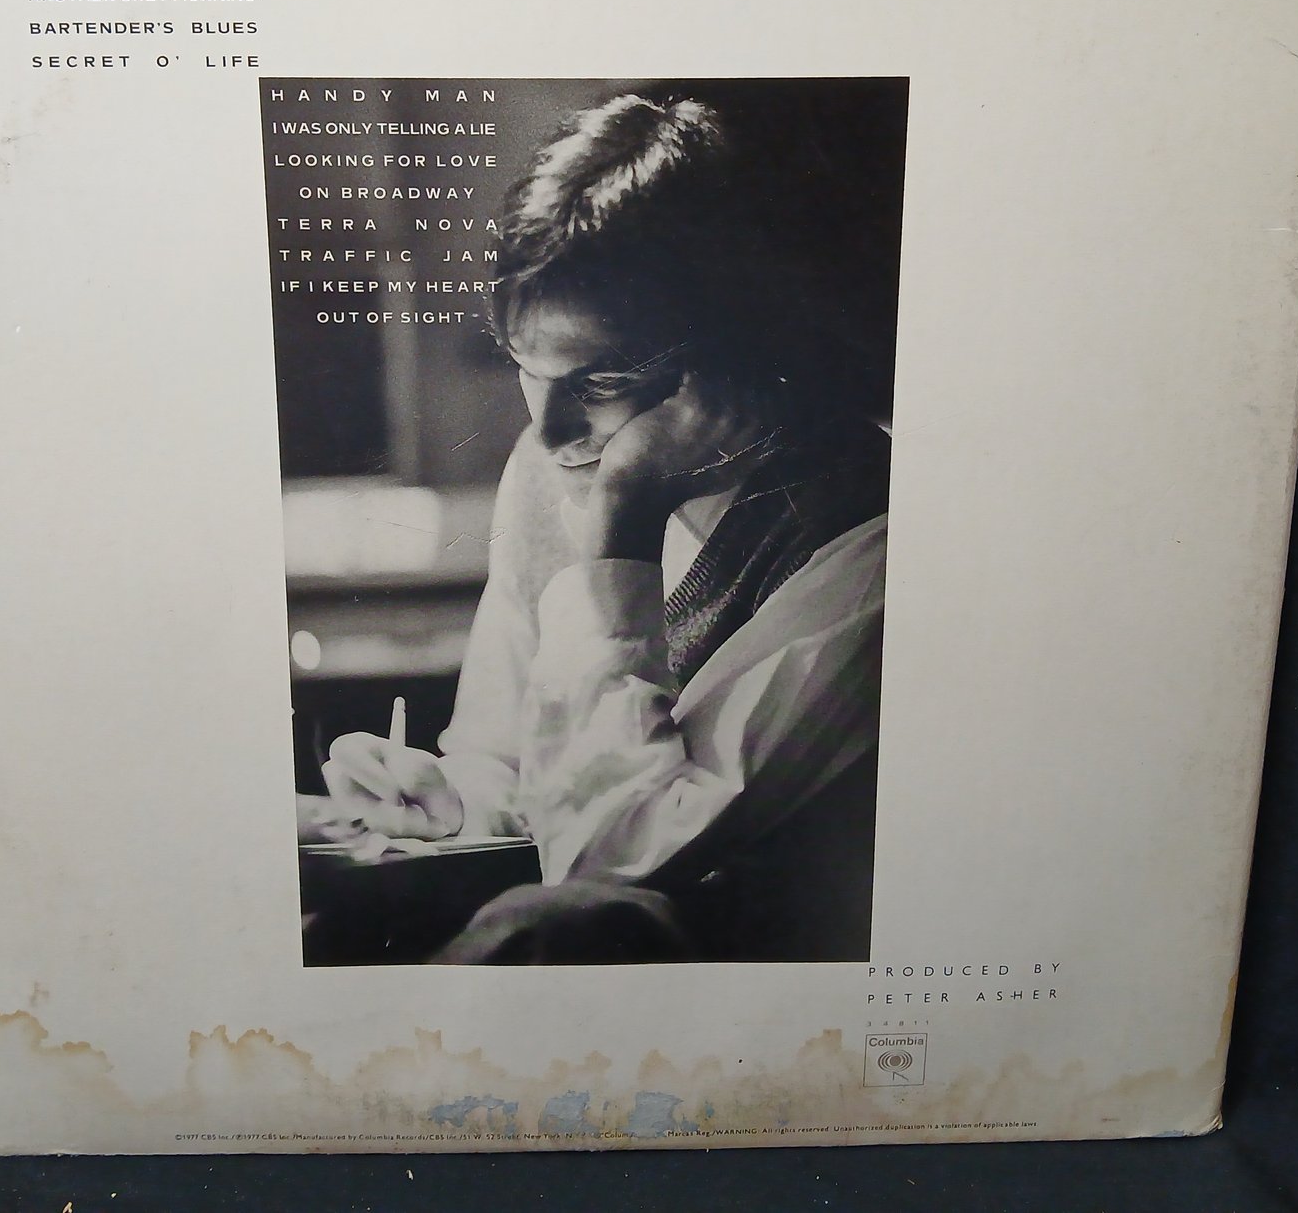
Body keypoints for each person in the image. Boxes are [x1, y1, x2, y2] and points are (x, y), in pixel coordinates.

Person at [321, 84, 902, 961]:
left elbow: (612, 861)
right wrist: (447, 798)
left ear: (734, 359)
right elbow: (515, 766)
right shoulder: (548, 466)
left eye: (598, 383)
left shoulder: (869, 543)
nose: (551, 434)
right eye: (527, 369)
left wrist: (620, 534)